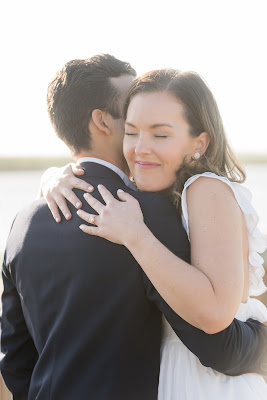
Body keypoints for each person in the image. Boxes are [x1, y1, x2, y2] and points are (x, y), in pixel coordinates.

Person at [1, 57, 267, 400]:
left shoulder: (23, 224)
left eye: (158, 131)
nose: (141, 143)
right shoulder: (142, 212)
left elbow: (16, 361)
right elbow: (218, 347)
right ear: (103, 122)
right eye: (131, 119)